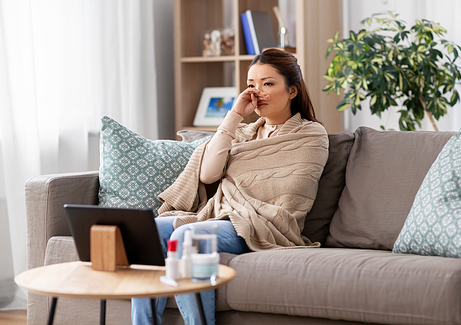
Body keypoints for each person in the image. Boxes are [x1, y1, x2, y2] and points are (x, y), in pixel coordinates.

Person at [131, 48, 329, 325]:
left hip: (265, 225)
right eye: (251, 85)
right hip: (221, 215)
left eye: (268, 84)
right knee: (149, 233)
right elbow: (209, 175)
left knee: (188, 239)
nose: (257, 92)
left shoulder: (309, 134)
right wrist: (235, 115)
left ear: (292, 90)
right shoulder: (243, 133)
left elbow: (290, 191)